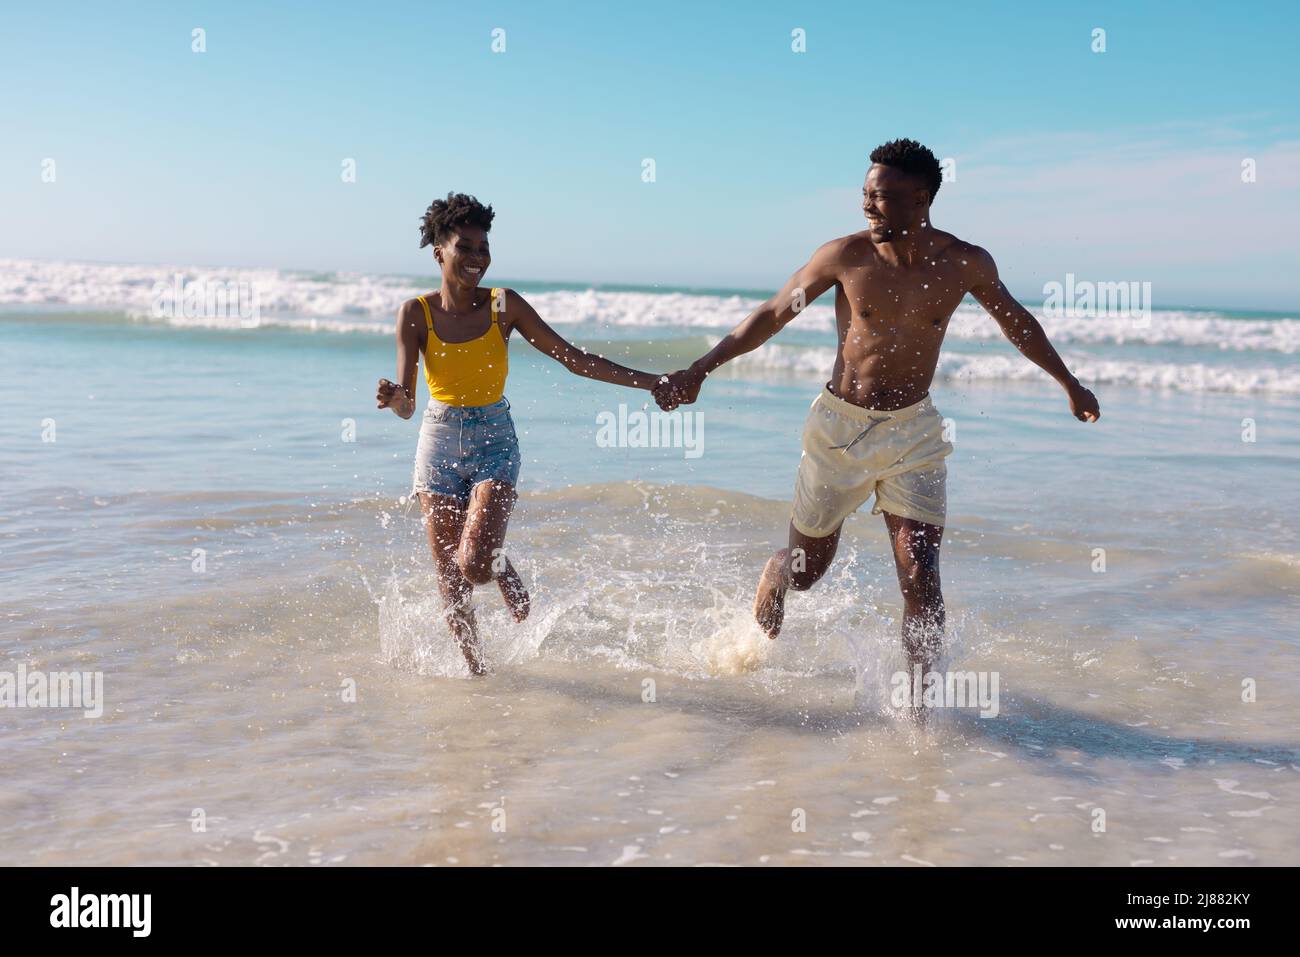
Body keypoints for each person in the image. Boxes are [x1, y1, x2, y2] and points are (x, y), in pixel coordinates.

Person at [656, 139, 1100, 702]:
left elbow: (1019, 323)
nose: (868, 207)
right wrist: (700, 369)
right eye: (866, 194)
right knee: (806, 569)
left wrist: (1069, 382)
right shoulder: (844, 256)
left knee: (920, 574)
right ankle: (774, 576)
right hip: (839, 430)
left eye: (883, 197)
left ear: (922, 198)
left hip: (914, 432)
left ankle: (920, 712)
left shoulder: (965, 263)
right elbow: (771, 316)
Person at [377, 192, 665, 675]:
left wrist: (651, 381)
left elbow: (574, 359)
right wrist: (394, 399)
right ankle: (479, 676)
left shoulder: (503, 306)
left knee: (472, 563)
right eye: (464, 247)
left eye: (483, 247)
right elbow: (408, 406)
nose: (477, 258)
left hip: (493, 438)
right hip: (438, 441)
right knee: (451, 585)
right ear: (438, 252)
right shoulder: (415, 314)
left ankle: (496, 560)